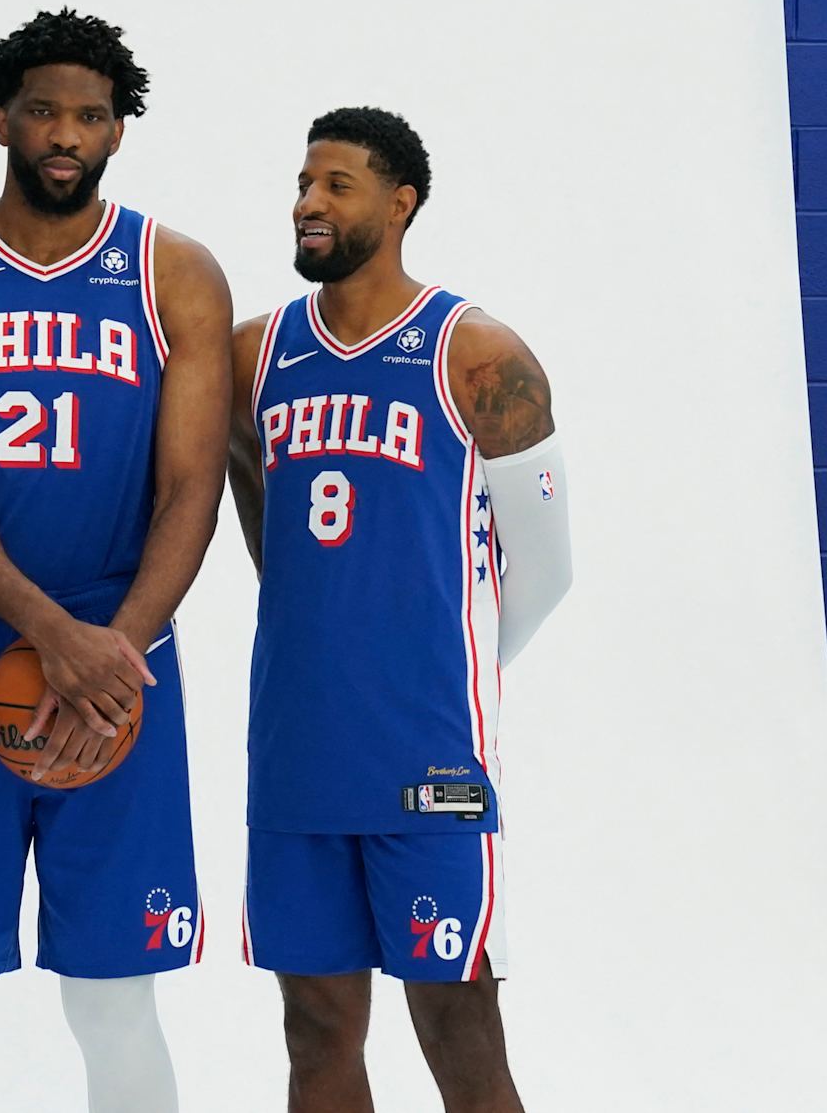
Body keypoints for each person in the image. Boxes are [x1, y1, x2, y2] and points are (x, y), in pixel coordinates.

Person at [0, 8, 232, 1112]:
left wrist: (109, 648)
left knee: (118, 995)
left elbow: (190, 488)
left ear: (118, 132)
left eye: (92, 116)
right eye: (46, 112)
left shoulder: (175, 270)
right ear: (1, 120)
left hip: (124, 644)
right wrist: (49, 634)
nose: (67, 133)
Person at [227, 108, 572, 1113]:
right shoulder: (258, 352)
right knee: (316, 1029)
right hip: (296, 744)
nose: (308, 203)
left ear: (400, 202)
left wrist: (444, 665)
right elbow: (256, 497)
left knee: (458, 1028)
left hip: (428, 750)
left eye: (336, 184)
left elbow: (546, 568)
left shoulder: (480, 356)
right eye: (303, 182)